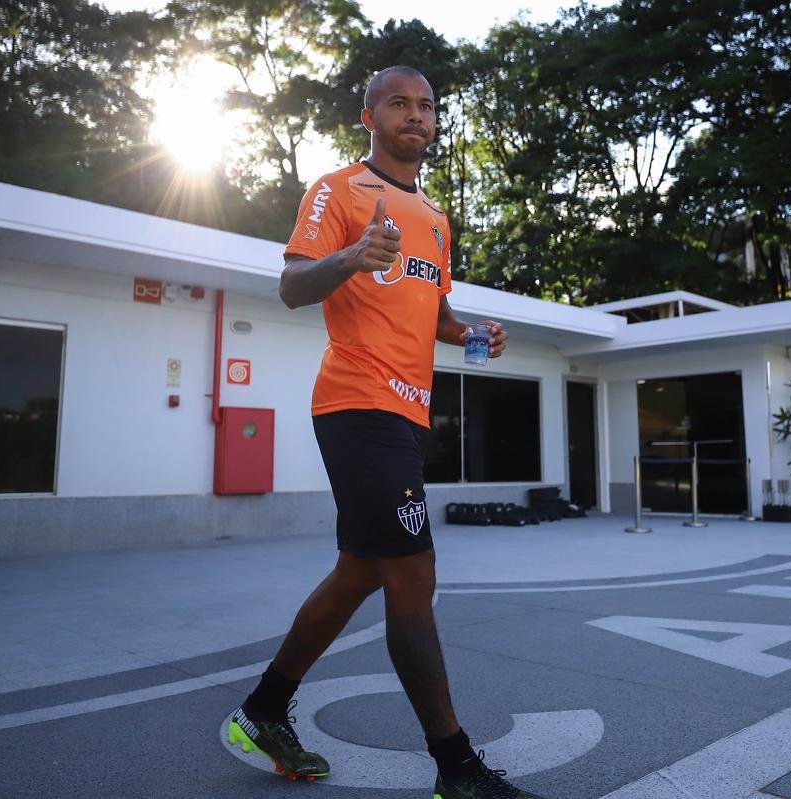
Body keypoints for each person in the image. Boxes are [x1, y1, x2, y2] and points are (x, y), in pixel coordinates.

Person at [223, 65, 551, 799]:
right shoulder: (336, 191)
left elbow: (433, 317)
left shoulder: (435, 219)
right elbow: (293, 285)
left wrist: (473, 334)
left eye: (426, 106)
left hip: (407, 413)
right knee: (412, 574)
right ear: (369, 114)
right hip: (356, 403)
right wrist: (351, 256)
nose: (415, 116)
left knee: (362, 569)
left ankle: (264, 709)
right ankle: (457, 767)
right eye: (399, 104)